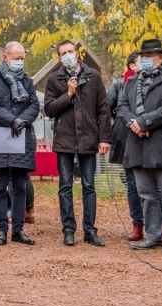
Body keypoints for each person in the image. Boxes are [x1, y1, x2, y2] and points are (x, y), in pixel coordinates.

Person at [118, 38, 162, 254]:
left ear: (160, 57)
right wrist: (134, 124)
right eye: (144, 57)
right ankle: (153, 234)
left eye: (151, 56)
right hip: (137, 144)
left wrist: (145, 122)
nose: (147, 60)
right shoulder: (130, 82)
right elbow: (122, 107)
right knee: (145, 194)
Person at [45, 40, 112, 247]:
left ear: (77, 52)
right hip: (64, 140)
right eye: (63, 53)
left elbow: (103, 109)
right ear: (59, 57)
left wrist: (104, 138)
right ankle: (68, 229)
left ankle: (90, 230)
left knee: (89, 185)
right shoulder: (54, 79)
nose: (67, 55)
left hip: (88, 139)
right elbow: (49, 109)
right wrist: (68, 94)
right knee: (65, 186)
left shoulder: (94, 76)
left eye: (70, 51)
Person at [0, 41, 40, 246]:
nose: (20, 62)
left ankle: (18, 230)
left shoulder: (28, 81)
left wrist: (22, 120)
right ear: (5, 57)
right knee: (0, 186)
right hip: (0, 135)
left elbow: (34, 104)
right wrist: (11, 120)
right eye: (16, 58)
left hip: (21, 135)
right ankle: (1, 230)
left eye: (22, 58)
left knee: (20, 186)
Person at [108, 51, 145, 241]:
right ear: (132, 65)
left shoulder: (153, 82)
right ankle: (137, 224)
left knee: (151, 183)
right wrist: (127, 123)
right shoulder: (119, 83)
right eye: (142, 61)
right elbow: (109, 107)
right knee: (132, 184)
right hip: (126, 138)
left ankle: (158, 224)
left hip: (149, 137)